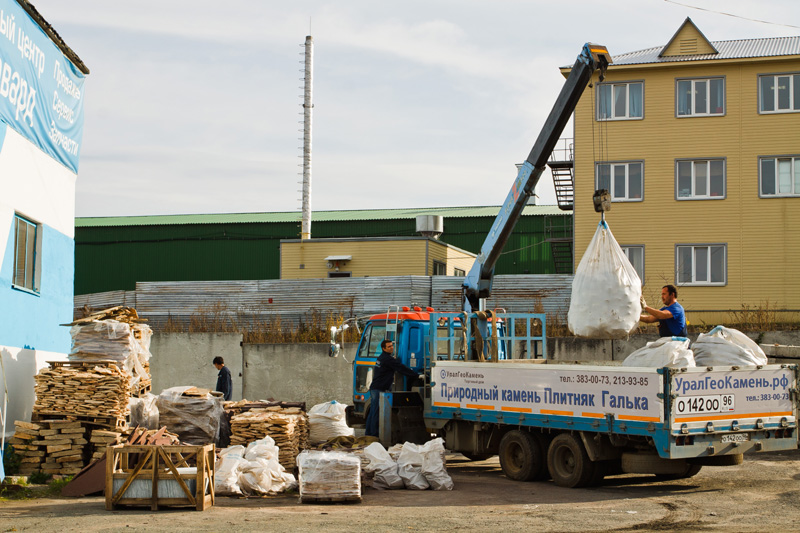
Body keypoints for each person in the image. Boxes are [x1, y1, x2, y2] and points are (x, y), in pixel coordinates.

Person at [365, 339, 420, 437]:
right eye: (389, 346)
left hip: (375, 388)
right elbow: (401, 368)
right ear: (383, 348)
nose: (391, 348)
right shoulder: (387, 359)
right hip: (379, 389)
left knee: (373, 411)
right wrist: (416, 375)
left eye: (392, 346)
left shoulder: (382, 357)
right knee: (376, 413)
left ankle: (368, 434)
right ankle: (374, 435)